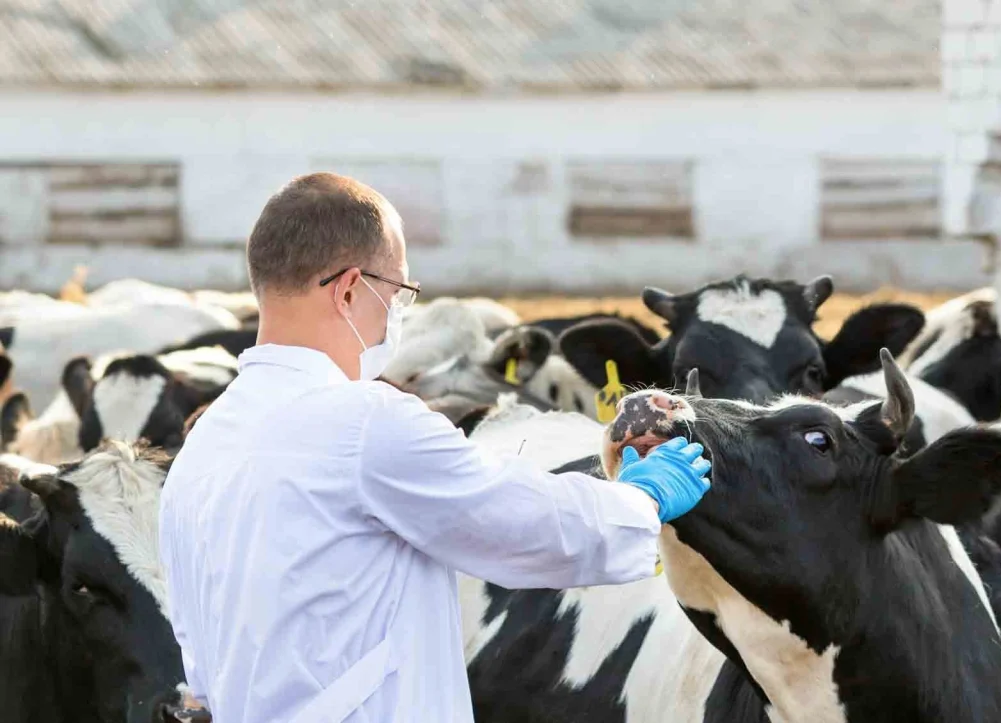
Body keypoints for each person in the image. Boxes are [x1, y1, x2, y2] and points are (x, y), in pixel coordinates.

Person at [158, 172, 712, 723]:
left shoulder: (205, 445)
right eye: (399, 292)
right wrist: (642, 498)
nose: (399, 312)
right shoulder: (362, 424)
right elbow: (527, 523)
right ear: (350, 289)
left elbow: (199, 658)